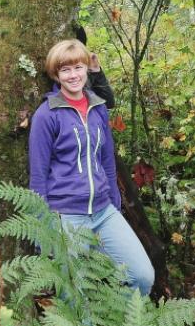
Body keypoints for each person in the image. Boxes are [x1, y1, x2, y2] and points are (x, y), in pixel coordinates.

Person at [29, 39, 153, 295]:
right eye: (65, 70)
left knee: (141, 276)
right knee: (75, 295)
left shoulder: (98, 108)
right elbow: (38, 175)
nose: (73, 75)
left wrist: (114, 206)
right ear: (56, 74)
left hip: (103, 212)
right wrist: (45, 229)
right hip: (66, 216)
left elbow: (107, 161)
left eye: (78, 68)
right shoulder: (46, 114)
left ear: (87, 68)